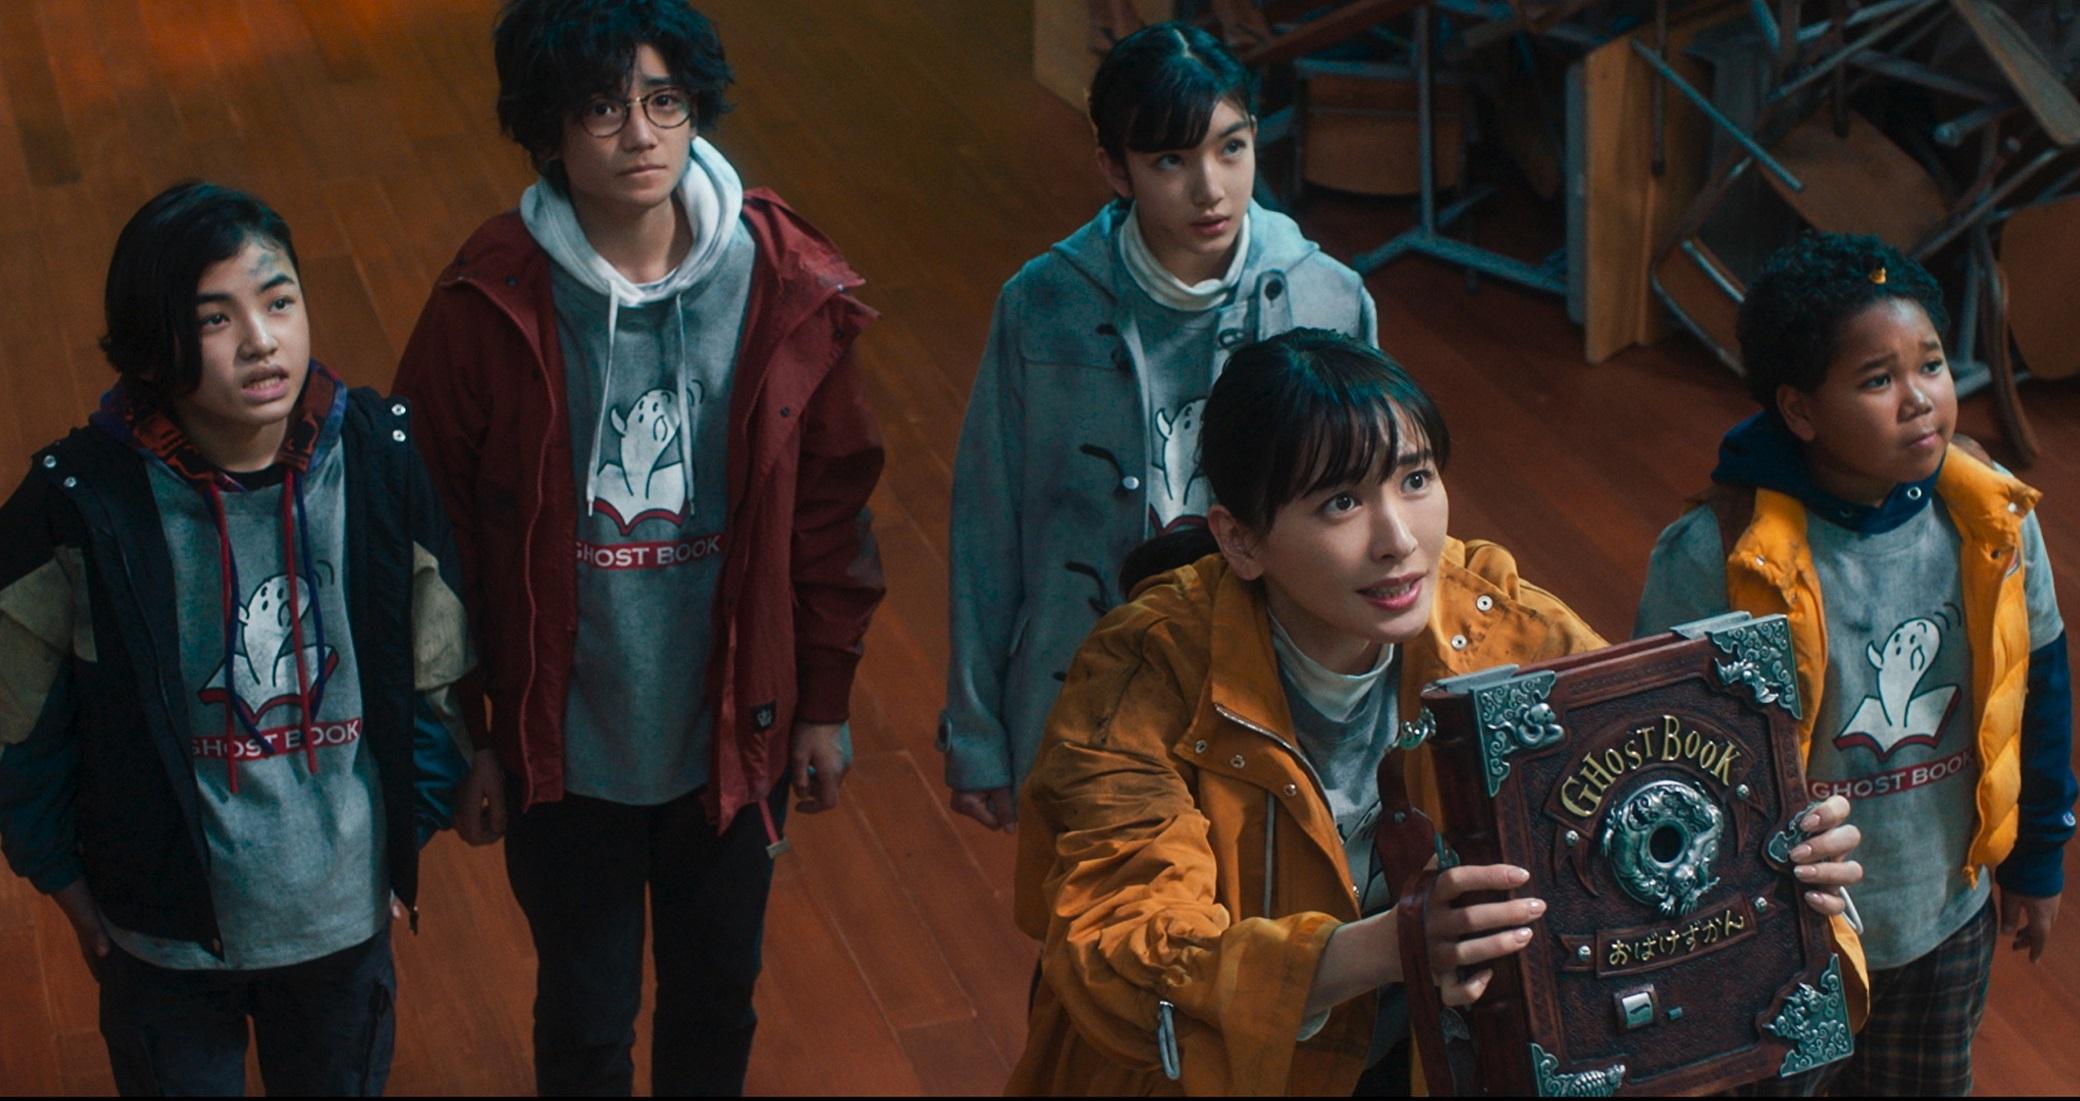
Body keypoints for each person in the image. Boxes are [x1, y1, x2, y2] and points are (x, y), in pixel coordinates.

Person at [1010, 329, 1865, 1094]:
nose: (1399, 539)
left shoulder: (1507, 630)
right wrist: (1391, 946)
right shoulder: (1145, 668)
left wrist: (1776, 864)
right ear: (1239, 538)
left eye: (1415, 479)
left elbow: (1647, 829)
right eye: (1340, 502)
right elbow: (1122, 955)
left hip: (1442, 1058)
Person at [391, 0, 886, 1093]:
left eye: (665, 101)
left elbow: (829, 514)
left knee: (717, 998)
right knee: (583, 1019)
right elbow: (432, 542)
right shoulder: (486, 299)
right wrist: (463, 735)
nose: (641, 135)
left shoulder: (780, 278)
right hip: (563, 753)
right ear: (547, 129)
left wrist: (821, 701)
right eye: (603, 108)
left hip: (733, 739)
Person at [0, 180, 477, 1096]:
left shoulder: (378, 461)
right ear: (152, 348)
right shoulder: (79, 502)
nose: (261, 340)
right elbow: (17, 711)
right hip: (164, 940)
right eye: (214, 319)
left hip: (342, 928)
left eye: (279, 301)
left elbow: (437, 666)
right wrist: (58, 872)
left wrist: (399, 838)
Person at [1636, 232, 2072, 1096]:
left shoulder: (1994, 520)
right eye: (1878, 380)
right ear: (1800, 412)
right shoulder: (1716, 553)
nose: (1921, 399)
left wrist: (2037, 856)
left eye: (1932, 365)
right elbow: (1660, 757)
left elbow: (2042, 687)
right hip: (1784, 933)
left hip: (1944, 910)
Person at [941, 22, 1378, 832]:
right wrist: (975, 731)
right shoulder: (1043, 303)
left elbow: (1366, 517)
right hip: (1089, 689)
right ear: (1115, 168)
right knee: (1099, 906)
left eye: (1232, 148)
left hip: (1276, 699)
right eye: (1170, 160)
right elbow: (985, 523)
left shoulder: (1330, 298)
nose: (1210, 188)